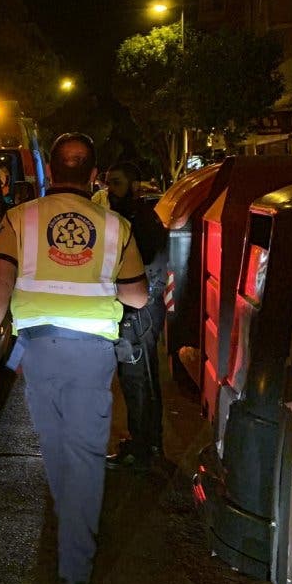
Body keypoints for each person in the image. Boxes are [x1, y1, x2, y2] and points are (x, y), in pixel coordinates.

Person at [0, 133, 148, 584]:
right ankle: (74, 569)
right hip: (92, 355)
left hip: (38, 353)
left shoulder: (19, 220)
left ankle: (71, 526)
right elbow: (138, 296)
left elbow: (0, 287)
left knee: (57, 450)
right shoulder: (115, 226)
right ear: (94, 175)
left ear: (49, 169)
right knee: (86, 454)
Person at [102, 162, 170, 472]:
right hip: (138, 312)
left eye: (115, 183)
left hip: (138, 315)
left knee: (137, 382)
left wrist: (133, 311)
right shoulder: (132, 217)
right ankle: (146, 444)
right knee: (140, 381)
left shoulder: (137, 220)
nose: (109, 190)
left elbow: (149, 268)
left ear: (130, 185)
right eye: (107, 183)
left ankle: (142, 450)